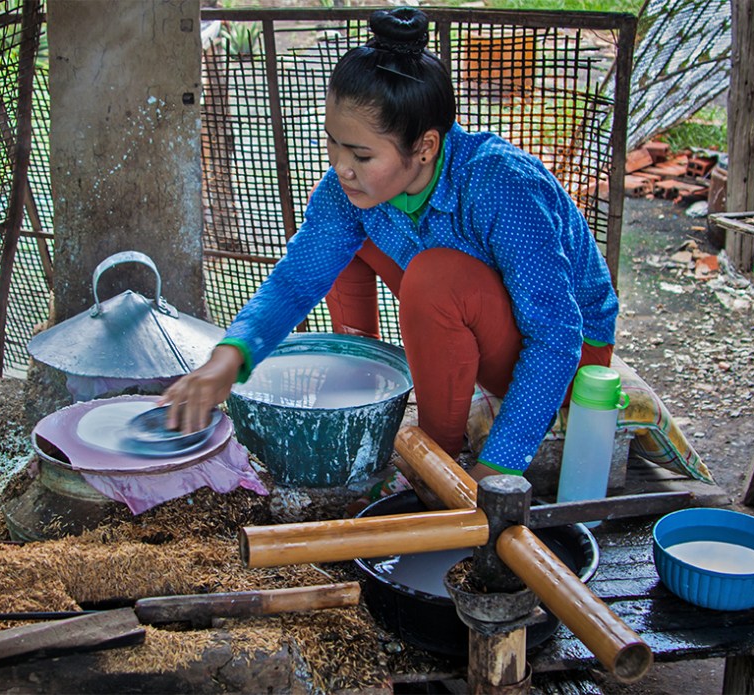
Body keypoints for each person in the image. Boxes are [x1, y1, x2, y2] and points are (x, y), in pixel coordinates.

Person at [162, 6, 618, 482]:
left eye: (361, 154)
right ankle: (363, 378)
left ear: (425, 148)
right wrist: (227, 358)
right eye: (333, 144)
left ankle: (435, 456)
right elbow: (299, 276)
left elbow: (556, 336)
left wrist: (495, 469)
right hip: (480, 306)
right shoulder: (354, 187)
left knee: (434, 278)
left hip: (570, 354)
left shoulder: (500, 185)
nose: (341, 166)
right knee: (343, 241)